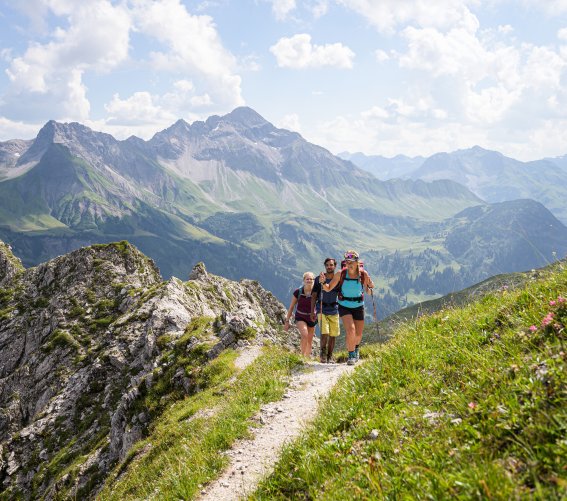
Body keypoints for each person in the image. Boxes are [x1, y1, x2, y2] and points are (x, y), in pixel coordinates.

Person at [319, 250, 375, 365]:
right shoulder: (341, 274)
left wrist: (371, 286)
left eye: (352, 261)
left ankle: (356, 348)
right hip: (344, 305)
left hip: (358, 305)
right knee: (351, 330)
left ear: (357, 262)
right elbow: (328, 288)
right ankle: (351, 355)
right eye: (347, 261)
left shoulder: (363, 274)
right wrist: (323, 283)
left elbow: (368, 291)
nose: (350, 264)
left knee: (358, 334)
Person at [311, 258, 340, 363]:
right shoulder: (319, 279)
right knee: (325, 332)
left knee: (333, 334)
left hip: (334, 308)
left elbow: (341, 294)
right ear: (325, 266)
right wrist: (312, 311)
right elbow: (314, 295)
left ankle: (330, 356)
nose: (329, 267)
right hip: (321, 308)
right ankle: (323, 355)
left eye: (331, 265)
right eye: (327, 265)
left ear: (335, 266)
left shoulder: (338, 279)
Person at [284, 272, 317, 358]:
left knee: (309, 340)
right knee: (304, 334)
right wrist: (287, 321)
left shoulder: (317, 293)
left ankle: (307, 358)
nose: (309, 280)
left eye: (311, 279)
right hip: (300, 316)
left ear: (314, 280)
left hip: (312, 318)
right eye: (307, 279)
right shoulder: (298, 292)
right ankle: (302, 357)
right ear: (304, 280)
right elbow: (291, 307)